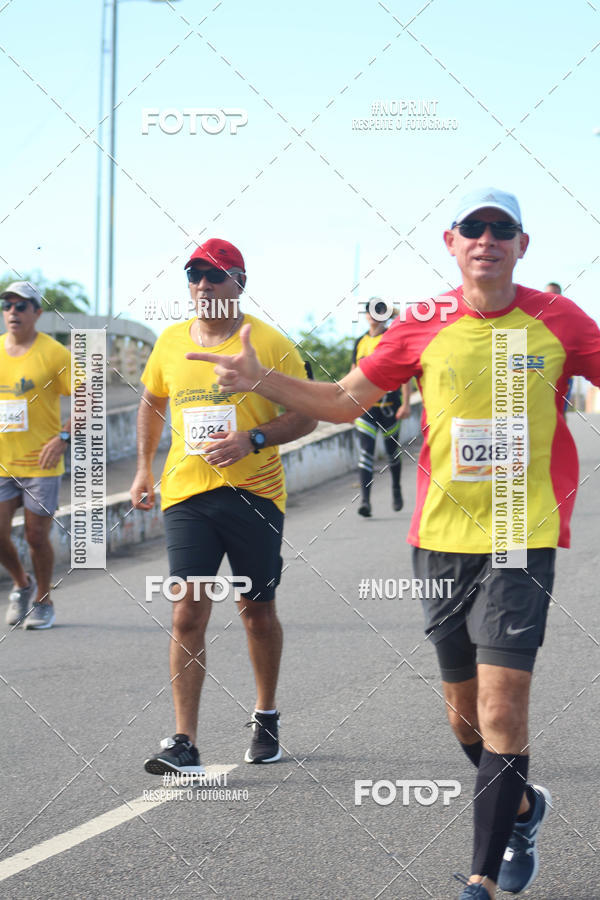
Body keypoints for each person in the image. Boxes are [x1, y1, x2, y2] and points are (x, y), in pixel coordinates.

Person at [188, 190, 600, 898]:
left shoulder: (560, 319)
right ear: (452, 241)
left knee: (504, 709)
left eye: (503, 229)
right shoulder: (423, 322)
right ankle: (525, 809)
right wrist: (262, 380)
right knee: (464, 716)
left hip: (520, 533)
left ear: (522, 246)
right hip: (439, 540)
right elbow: (346, 399)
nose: (488, 239)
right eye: (474, 227)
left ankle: (480, 879)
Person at [130, 238, 316, 775]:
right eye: (195, 275)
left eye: (215, 275)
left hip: (255, 493)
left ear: (240, 282)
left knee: (255, 612)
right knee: (187, 607)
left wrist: (252, 438)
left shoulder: (270, 341)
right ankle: (184, 741)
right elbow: (152, 400)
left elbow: (307, 415)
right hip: (187, 493)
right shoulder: (169, 342)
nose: (204, 285)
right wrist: (144, 467)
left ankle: (266, 714)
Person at [1, 281, 71, 630]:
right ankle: (22, 583)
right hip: (2, 462)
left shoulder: (54, 353)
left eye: (22, 306)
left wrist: (64, 436)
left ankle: (44, 600)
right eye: (8, 305)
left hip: (41, 464)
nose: (13, 312)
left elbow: (89, 397)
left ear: (37, 313)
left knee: (35, 536)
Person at [351, 301, 411, 517]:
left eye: (380, 312)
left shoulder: (392, 340)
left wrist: (405, 403)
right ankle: (365, 502)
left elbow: (404, 373)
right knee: (365, 455)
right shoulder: (360, 342)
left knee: (392, 454)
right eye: (371, 312)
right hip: (366, 408)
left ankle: (396, 488)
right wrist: (347, 405)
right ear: (366, 315)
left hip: (389, 408)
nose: (375, 316)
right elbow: (352, 376)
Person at [545, 283, 574, 413]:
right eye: (548, 294)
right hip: (541, 373)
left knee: (560, 412)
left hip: (564, 375)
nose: (551, 297)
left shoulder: (569, 317)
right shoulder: (535, 317)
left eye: (555, 294)